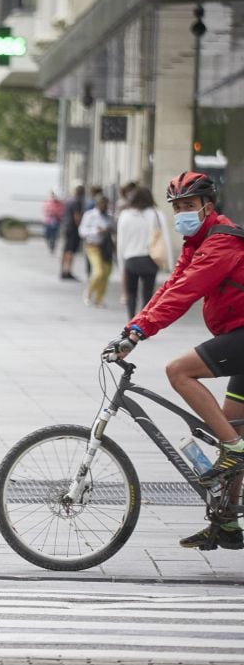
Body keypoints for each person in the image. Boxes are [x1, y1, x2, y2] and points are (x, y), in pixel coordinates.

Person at [105, 171, 244, 550]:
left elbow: (185, 291)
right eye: (177, 206)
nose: (182, 212)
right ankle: (229, 524)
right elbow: (170, 286)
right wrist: (133, 328)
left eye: (189, 206)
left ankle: (233, 450)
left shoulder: (221, 243)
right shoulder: (195, 242)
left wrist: (138, 335)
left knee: (178, 371)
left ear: (207, 207)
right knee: (231, 425)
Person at [115, 186, 172, 319]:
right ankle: (143, 322)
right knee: (148, 294)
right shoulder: (157, 214)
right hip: (150, 260)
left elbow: (121, 242)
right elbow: (165, 240)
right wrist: (169, 264)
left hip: (131, 260)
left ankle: (131, 321)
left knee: (131, 293)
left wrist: (121, 264)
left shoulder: (125, 215)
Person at [78, 194, 112, 307]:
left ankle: (99, 298)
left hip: (106, 248)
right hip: (93, 246)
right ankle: (88, 292)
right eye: (103, 204)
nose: (105, 207)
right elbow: (82, 231)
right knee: (98, 272)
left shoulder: (109, 216)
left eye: (106, 204)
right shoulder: (90, 215)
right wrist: (96, 231)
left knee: (106, 273)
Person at [60, 183, 85, 280]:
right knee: (70, 251)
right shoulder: (77, 202)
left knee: (65, 250)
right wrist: (81, 227)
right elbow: (77, 216)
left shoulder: (69, 200)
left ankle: (63, 270)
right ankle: (68, 271)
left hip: (67, 227)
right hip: (73, 229)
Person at [43, 189, 65, 254]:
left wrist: (56, 214)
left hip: (56, 221)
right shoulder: (48, 201)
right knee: (46, 235)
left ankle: (52, 246)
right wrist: (50, 213)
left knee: (54, 235)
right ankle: (50, 244)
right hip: (48, 221)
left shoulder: (60, 203)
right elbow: (45, 210)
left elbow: (62, 212)